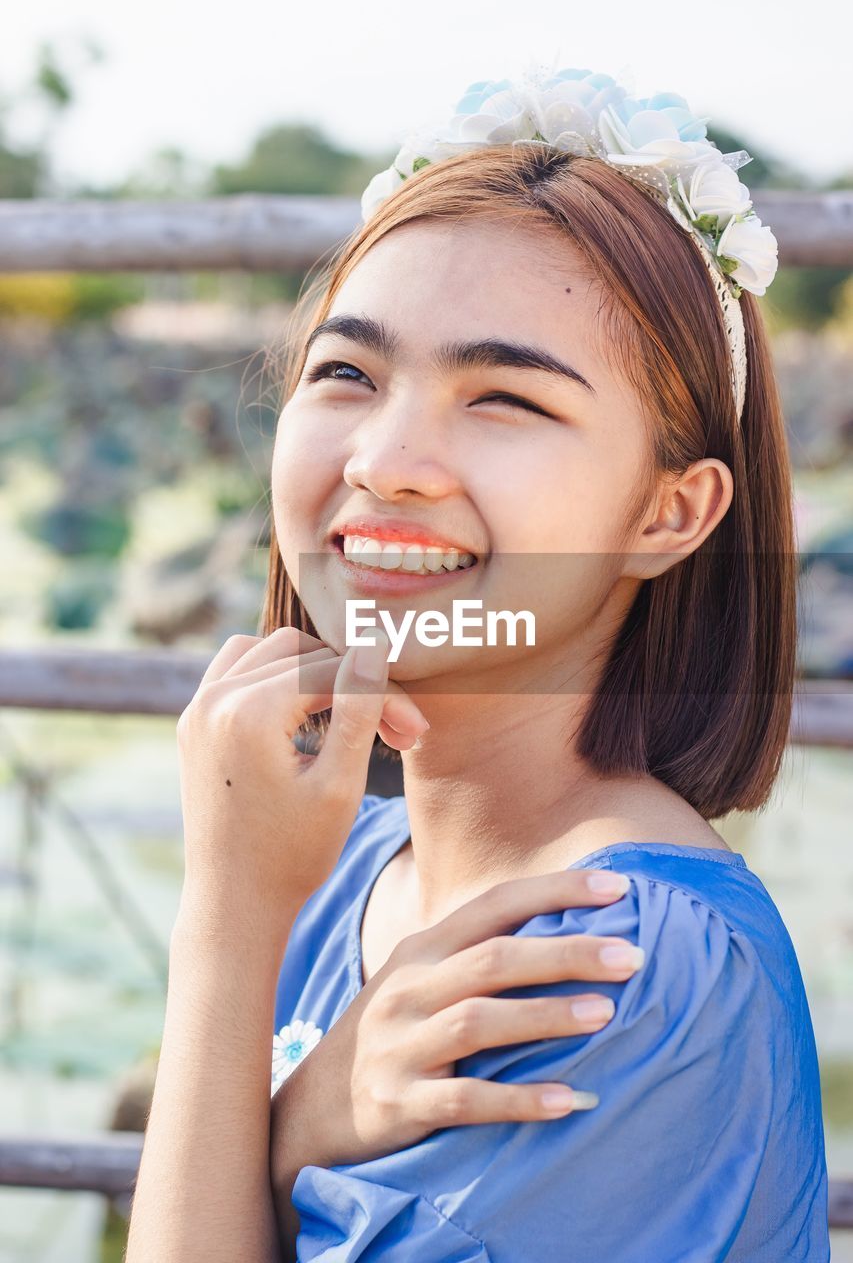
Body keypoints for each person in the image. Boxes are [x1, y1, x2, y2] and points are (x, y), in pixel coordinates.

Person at [125, 67, 830, 1261]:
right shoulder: (335, 860)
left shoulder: (616, 963)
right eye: (346, 373)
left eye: (502, 397)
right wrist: (298, 1099)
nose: (388, 460)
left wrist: (230, 930)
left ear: (668, 512)